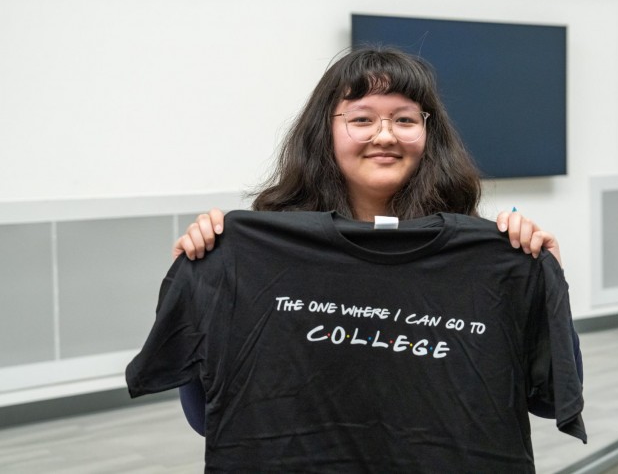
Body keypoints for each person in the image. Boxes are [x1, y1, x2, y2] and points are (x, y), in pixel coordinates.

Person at [127, 46, 584, 472]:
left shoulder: (489, 254)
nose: (384, 136)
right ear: (324, 130)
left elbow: (549, 399)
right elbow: (207, 416)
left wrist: (546, 278)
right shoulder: (254, 251)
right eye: (361, 119)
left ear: (428, 133)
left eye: (405, 120)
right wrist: (206, 279)